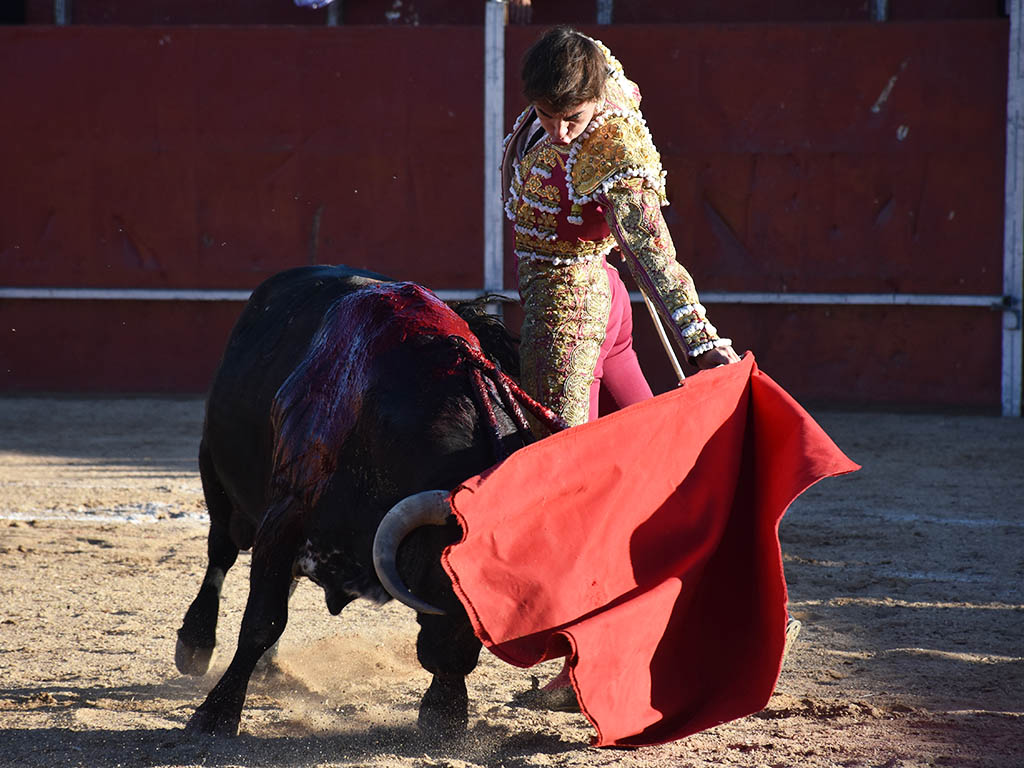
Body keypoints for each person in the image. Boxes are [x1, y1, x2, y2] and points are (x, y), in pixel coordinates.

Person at [502, 27, 740, 432]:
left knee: (559, 455)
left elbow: (648, 248)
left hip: (569, 311)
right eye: (545, 114)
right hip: (601, 300)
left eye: (573, 117)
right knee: (644, 441)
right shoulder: (579, 82)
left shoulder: (612, 147)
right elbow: (588, 53)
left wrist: (700, 341)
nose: (558, 131)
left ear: (595, 98)